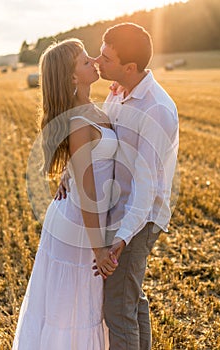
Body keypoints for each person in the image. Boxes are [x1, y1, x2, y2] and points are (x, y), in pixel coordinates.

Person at [57, 23, 179, 350]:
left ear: (130, 67)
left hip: (139, 218)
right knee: (131, 299)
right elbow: (99, 143)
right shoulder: (119, 90)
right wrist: (71, 171)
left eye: (106, 58)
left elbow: (147, 188)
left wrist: (123, 238)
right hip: (119, 209)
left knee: (117, 308)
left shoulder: (156, 111)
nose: (97, 60)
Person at [12, 38, 118, 350]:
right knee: (71, 312)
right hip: (79, 226)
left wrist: (66, 173)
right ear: (73, 77)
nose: (94, 62)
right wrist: (99, 248)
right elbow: (87, 193)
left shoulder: (90, 109)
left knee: (82, 308)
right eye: (86, 62)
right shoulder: (78, 122)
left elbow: (86, 167)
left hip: (84, 219)